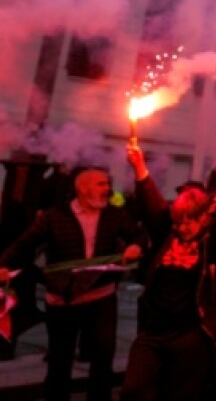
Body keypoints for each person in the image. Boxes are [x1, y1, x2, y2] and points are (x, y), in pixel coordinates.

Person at [121, 145, 216, 400]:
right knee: (134, 390)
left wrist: (212, 208)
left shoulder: (213, 240)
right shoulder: (166, 232)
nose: (183, 227)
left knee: (181, 394)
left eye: (190, 221)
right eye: (178, 221)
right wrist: (140, 168)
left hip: (189, 333)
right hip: (153, 331)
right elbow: (150, 201)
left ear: (203, 219)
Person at [0, 165, 145, 401]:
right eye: (101, 184)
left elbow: (137, 235)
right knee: (60, 359)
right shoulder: (55, 216)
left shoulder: (115, 215)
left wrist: (135, 246)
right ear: (82, 188)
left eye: (107, 184)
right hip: (63, 298)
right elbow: (24, 243)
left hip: (101, 296)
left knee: (102, 358)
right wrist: (3, 264)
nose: (108, 189)